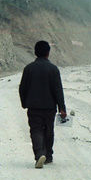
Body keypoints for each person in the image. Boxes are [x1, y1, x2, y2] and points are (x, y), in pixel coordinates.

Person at [19, 40, 67, 168]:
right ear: (48, 53)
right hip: (50, 107)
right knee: (48, 130)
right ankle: (48, 156)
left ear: (35, 52)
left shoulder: (28, 69)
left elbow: (22, 88)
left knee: (36, 130)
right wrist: (62, 108)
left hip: (33, 107)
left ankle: (39, 154)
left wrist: (24, 103)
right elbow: (58, 90)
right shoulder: (53, 69)